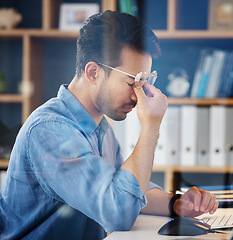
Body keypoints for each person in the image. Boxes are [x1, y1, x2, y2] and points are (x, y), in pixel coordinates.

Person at [0, 11, 218, 239]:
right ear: (93, 72)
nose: (139, 93)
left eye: (145, 82)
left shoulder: (99, 127)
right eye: (132, 81)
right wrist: (150, 127)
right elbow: (119, 212)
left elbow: (126, 190)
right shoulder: (50, 129)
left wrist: (176, 203)